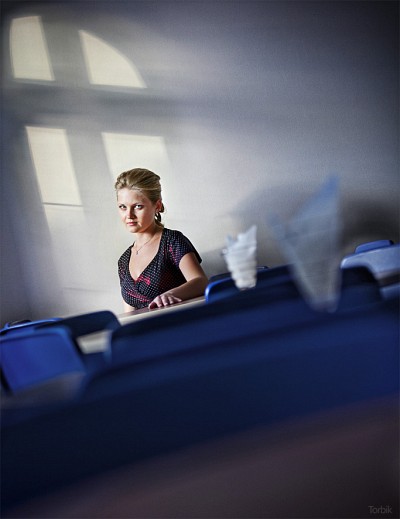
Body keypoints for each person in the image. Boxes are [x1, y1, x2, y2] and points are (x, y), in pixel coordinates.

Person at [115, 168, 208, 311]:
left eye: (138, 206)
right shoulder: (123, 261)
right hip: (146, 326)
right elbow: (130, 314)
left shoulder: (172, 241)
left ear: (157, 206)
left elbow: (201, 282)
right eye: (123, 207)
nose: (129, 215)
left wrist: (171, 294)